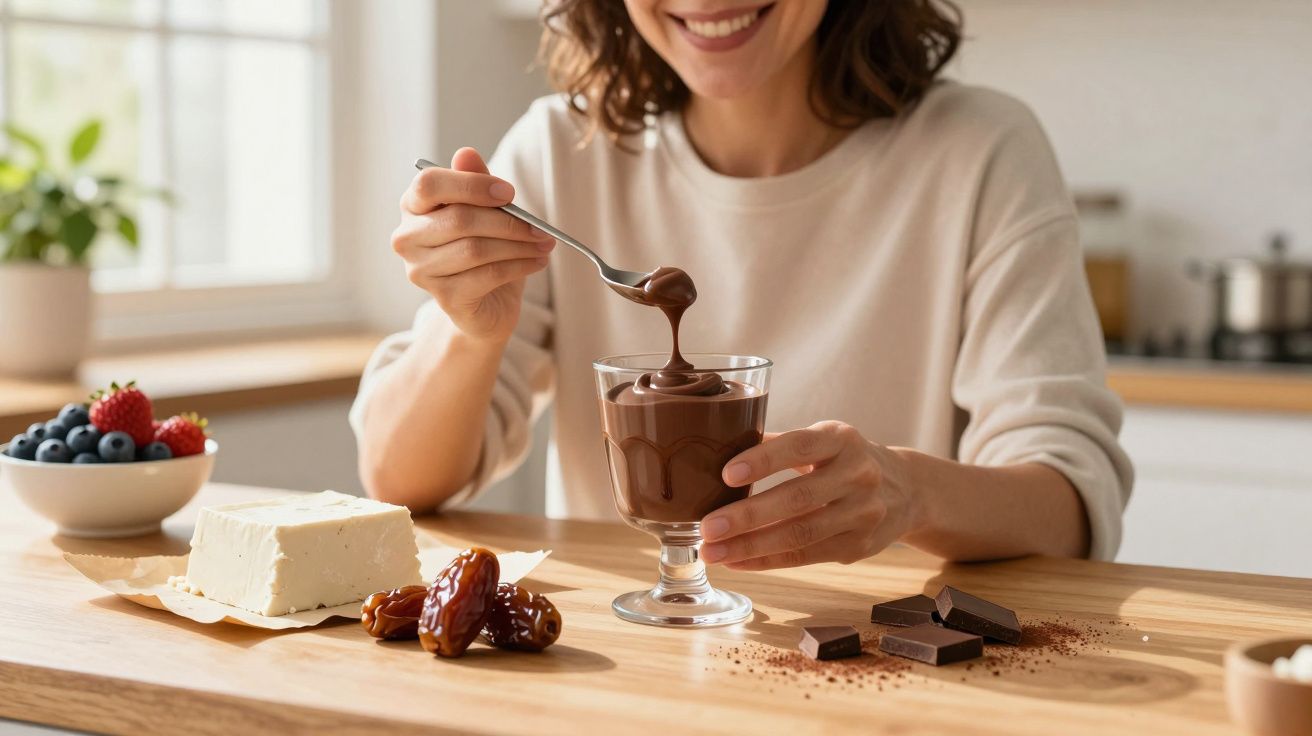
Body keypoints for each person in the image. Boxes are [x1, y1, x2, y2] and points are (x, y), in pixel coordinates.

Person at [350, 0, 1134, 568]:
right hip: (625, 682)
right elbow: (398, 479)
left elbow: (1068, 504)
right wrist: (469, 333)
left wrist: (910, 494)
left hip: (887, 683)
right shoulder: (560, 150)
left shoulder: (981, 153)